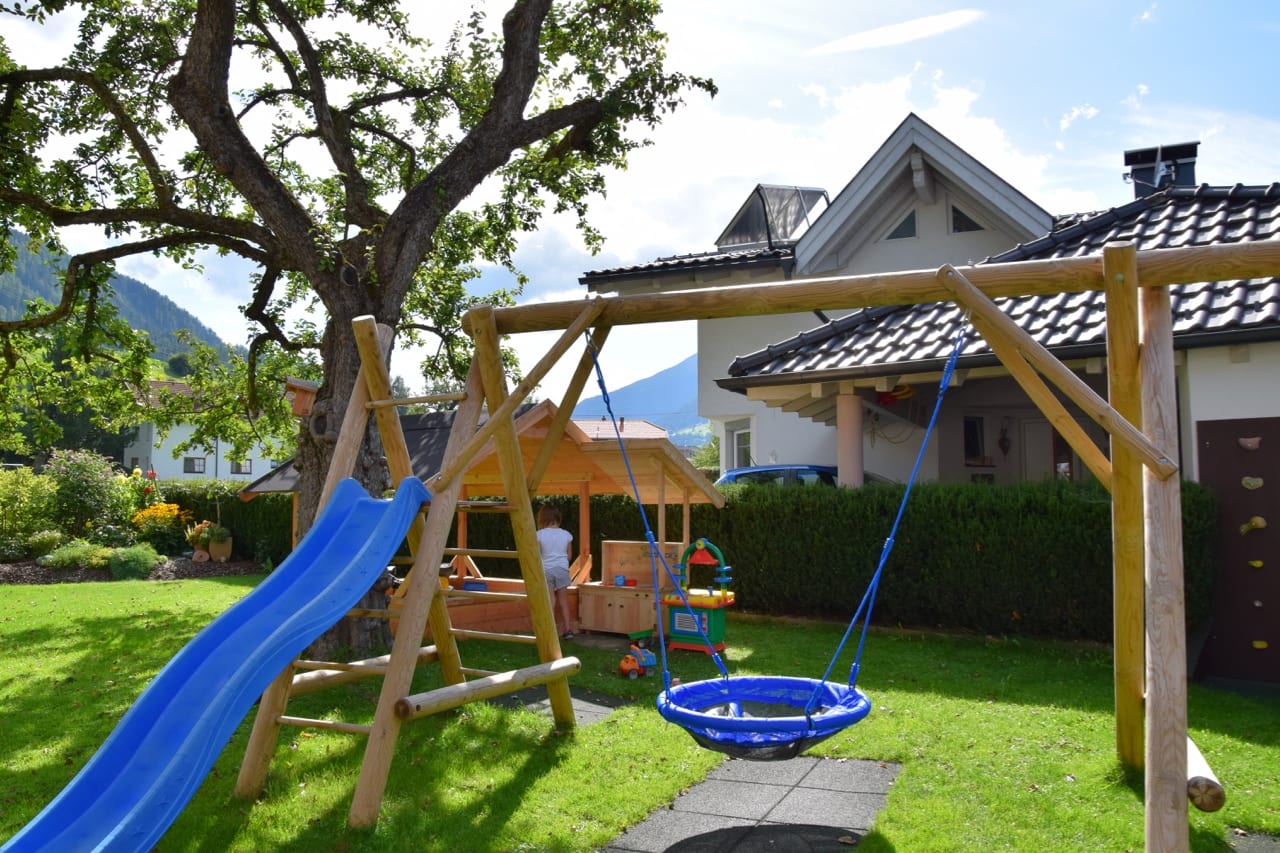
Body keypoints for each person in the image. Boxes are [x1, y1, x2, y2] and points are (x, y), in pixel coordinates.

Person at [536, 503, 575, 639]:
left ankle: (550, 632)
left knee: (550, 600)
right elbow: (569, 556)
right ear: (558, 517)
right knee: (563, 601)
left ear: (542, 518)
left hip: (547, 570)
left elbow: (537, 555)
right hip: (562, 570)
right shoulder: (566, 535)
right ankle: (568, 629)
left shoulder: (539, 535)